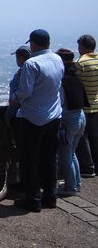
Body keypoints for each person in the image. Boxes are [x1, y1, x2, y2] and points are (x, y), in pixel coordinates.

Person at [12, 29, 64, 212]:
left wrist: (15, 98)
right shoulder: (58, 59)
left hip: (33, 117)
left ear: (33, 44)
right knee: (50, 158)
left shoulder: (31, 64)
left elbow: (25, 91)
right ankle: (50, 196)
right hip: (54, 116)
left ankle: (33, 199)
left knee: (30, 159)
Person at [55, 49, 89, 196]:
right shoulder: (76, 77)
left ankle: (70, 187)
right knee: (72, 152)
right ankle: (76, 184)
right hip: (81, 116)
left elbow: (61, 101)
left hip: (69, 118)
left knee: (66, 154)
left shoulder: (63, 79)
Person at [76, 34, 98, 178]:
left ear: (83, 47)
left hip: (84, 106)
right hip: (96, 104)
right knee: (95, 137)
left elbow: (76, 85)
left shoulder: (81, 63)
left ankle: (88, 167)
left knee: (83, 139)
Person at [6, 46, 32, 126]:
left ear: (21, 58)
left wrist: (13, 100)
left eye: (17, 57)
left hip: (17, 109)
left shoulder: (23, 73)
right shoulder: (31, 71)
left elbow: (22, 91)